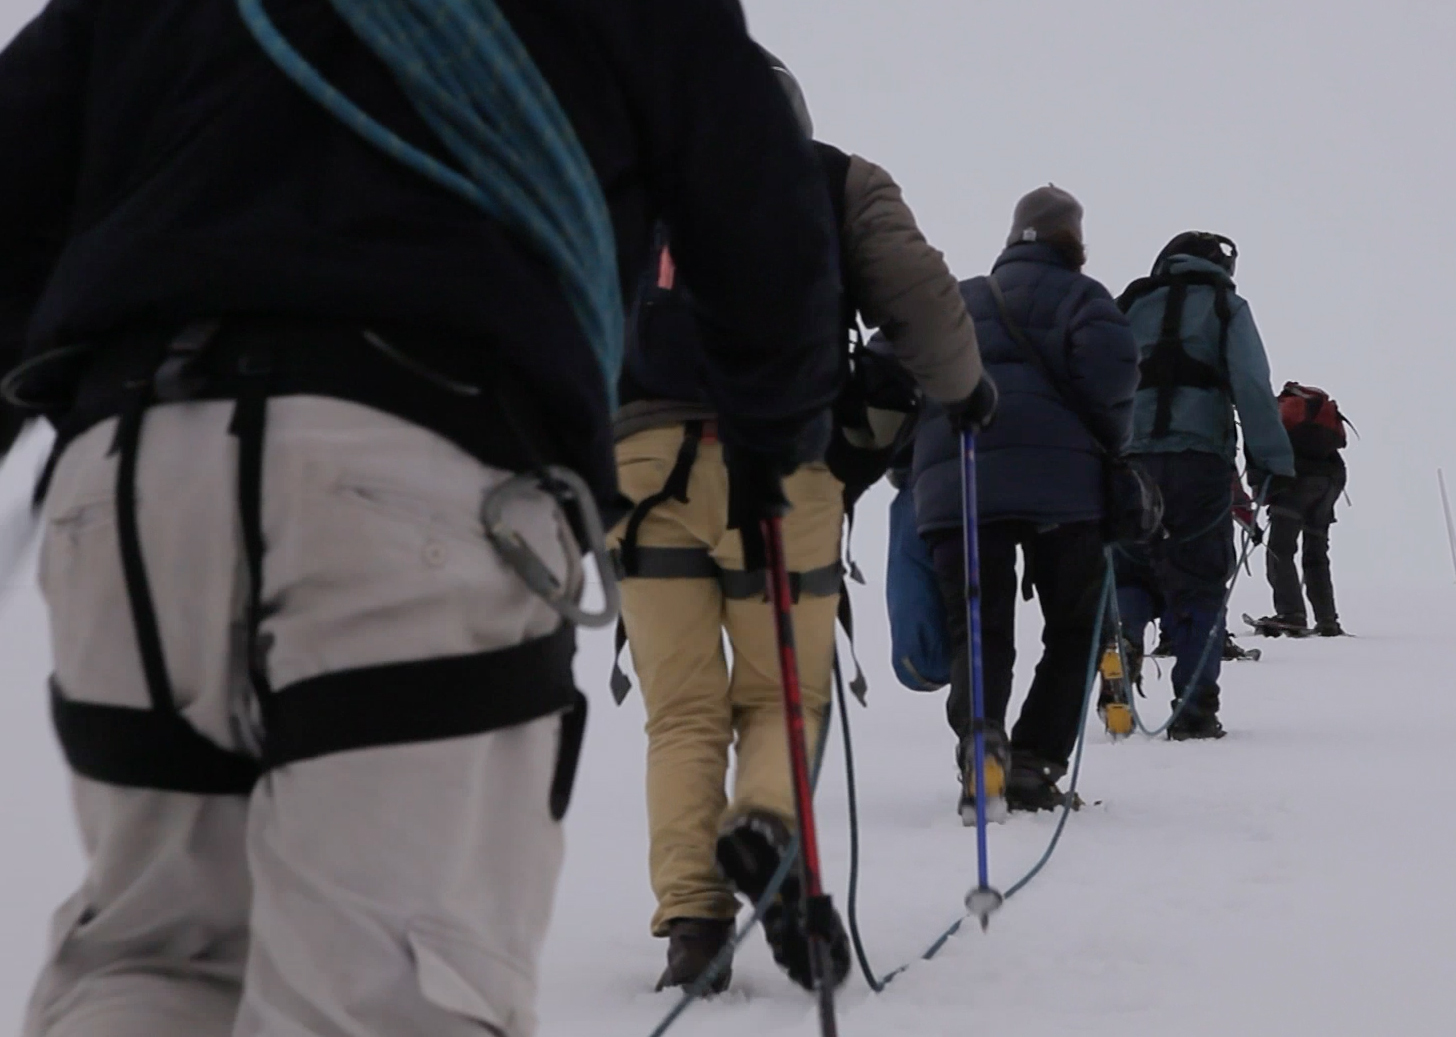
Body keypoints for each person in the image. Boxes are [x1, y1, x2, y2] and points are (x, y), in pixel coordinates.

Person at [0, 2, 840, 1034]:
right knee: (385, 991)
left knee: (147, 959)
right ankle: (756, 830)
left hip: (130, 473)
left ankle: (691, 906)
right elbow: (754, 191)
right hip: (422, 467)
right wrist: (772, 435)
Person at [609, 55, 989, 992]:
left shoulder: (627, 188)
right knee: (787, 690)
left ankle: (693, 926)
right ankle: (768, 824)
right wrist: (964, 391)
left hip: (639, 466)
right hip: (779, 460)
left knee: (682, 709)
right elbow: (920, 293)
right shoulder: (837, 177)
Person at [912, 185, 1137, 817]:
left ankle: (982, 745)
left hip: (960, 484)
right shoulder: (1083, 298)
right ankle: (1036, 762)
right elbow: (1115, 370)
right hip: (1064, 491)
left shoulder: (962, 297)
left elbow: (903, 364)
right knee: (1074, 625)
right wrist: (1105, 437)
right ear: (1075, 241)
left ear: (1013, 237)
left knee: (978, 627)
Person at [1114, 232, 1293, 740]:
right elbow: (1253, 385)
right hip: (1198, 463)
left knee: (1129, 568)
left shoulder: (1128, 303)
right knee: (1198, 583)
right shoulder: (1226, 307)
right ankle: (1193, 711)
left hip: (1129, 460)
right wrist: (1268, 462)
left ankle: (1122, 634)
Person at [1252, 382, 1350, 637]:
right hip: (1331, 480)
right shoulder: (1313, 416)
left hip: (1296, 482)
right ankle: (1327, 619)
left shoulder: (1271, 416)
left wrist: (1262, 490)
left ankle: (1291, 614)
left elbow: (1260, 456)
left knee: (1280, 550)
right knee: (1316, 552)